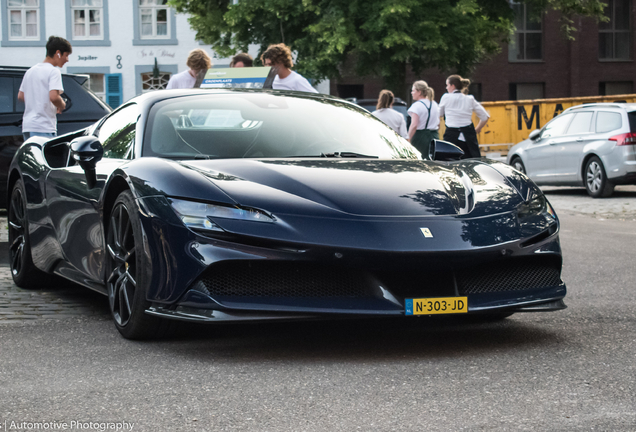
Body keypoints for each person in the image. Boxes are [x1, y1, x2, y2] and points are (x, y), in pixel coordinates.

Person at [18, 36, 72, 141]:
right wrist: (62, 105)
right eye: (66, 55)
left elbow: (21, 96)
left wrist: (37, 101)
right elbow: (54, 97)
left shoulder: (30, 71)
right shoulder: (53, 71)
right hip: (43, 126)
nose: (67, 59)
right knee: (47, 156)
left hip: (28, 127)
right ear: (58, 53)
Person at [439, 74, 489, 159]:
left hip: (451, 136)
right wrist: (477, 129)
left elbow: (439, 114)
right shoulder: (470, 99)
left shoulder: (446, 97)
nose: (446, 88)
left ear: (452, 86)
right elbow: (485, 117)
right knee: (472, 162)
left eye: (447, 85)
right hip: (468, 136)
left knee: (449, 162)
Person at [407, 80, 439, 158]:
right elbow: (439, 123)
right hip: (434, 136)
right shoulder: (434, 104)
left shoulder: (416, 105)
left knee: (418, 159)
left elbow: (414, 125)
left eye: (413, 90)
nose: (411, 93)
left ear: (419, 92)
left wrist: (408, 138)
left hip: (420, 137)